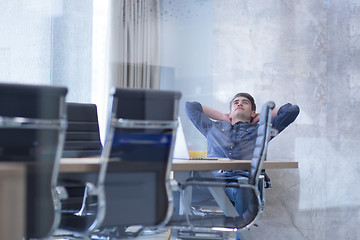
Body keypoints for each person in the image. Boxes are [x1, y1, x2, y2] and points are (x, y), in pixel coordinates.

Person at [184, 92, 300, 240]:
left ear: (252, 112)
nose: (239, 103)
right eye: (235, 102)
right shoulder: (213, 127)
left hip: (239, 184)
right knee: (178, 189)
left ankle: (242, 236)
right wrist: (222, 116)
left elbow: (292, 110)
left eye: (245, 102)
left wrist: (260, 116)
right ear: (230, 111)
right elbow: (190, 107)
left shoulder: (261, 130)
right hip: (210, 182)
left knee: (243, 189)